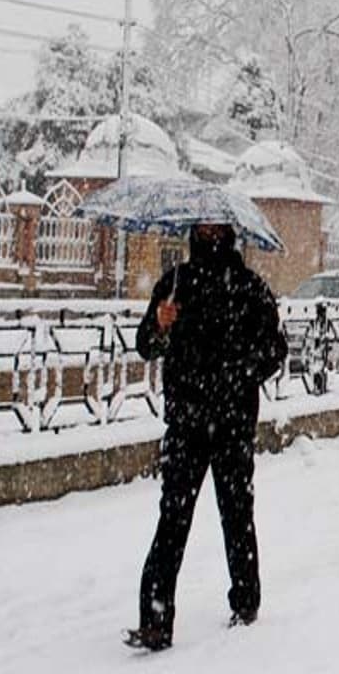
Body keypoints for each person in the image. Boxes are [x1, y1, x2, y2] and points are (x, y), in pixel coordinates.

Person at [124, 223, 287, 652]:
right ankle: (156, 620)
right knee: (172, 520)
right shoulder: (175, 282)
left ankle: (246, 599)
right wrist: (160, 324)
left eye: (217, 229)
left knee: (235, 514)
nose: (210, 236)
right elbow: (145, 344)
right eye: (204, 229)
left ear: (229, 234)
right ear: (194, 231)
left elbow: (274, 351)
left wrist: (238, 375)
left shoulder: (251, 289)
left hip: (232, 423)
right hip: (186, 423)